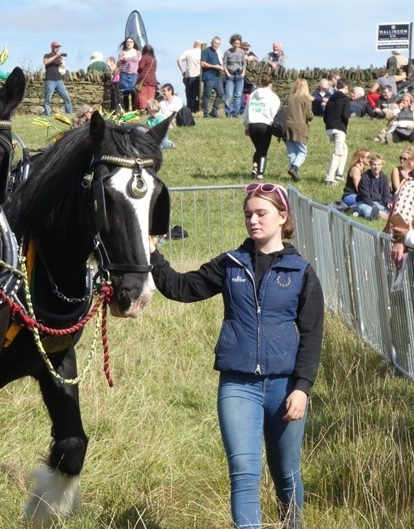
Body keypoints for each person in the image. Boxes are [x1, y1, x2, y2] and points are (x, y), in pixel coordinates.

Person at [150, 182, 324, 529]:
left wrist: (302, 388)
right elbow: (180, 287)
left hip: (284, 388)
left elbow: (312, 335)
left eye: (261, 213)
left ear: (282, 216)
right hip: (237, 386)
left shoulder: (301, 271)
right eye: (248, 215)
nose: (253, 221)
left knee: (286, 475)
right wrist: (152, 253)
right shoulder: (231, 264)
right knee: (244, 474)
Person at [243, 74, 280, 180]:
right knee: (263, 151)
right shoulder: (273, 96)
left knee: (258, 148)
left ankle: (255, 165)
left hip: (252, 124)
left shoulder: (253, 94)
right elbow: (275, 112)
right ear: (271, 85)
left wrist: (246, 126)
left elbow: (247, 110)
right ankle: (260, 173)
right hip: (265, 125)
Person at [284, 78, 314, 182]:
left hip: (287, 126)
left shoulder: (288, 97)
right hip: (300, 128)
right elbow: (309, 115)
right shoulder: (306, 99)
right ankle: (294, 168)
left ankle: (293, 176)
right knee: (302, 151)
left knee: (292, 152)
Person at [323, 78, 351, 185]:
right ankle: (329, 178)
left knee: (344, 148)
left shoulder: (331, 98)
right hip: (339, 128)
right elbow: (345, 115)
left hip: (329, 127)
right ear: (345, 87)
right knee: (337, 153)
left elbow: (325, 115)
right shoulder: (345, 99)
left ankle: (339, 173)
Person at [355, 153, 392, 221]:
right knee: (367, 210)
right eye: (374, 164)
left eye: (379, 165)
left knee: (389, 209)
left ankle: (382, 214)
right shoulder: (365, 178)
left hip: (379, 203)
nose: (376, 167)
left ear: (382, 165)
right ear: (370, 165)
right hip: (365, 202)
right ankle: (376, 215)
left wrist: (389, 202)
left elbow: (386, 195)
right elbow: (366, 197)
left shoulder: (384, 178)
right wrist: (375, 207)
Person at [42, 41, 73, 116]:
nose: (57, 48)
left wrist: (60, 61)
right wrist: (55, 56)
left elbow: (62, 67)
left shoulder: (59, 57)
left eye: (58, 47)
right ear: (52, 47)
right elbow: (45, 62)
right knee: (48, 99)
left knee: (66, 97)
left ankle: (69, 113)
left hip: (59, 80)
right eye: (55, 47)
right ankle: (47, 114)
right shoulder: (47, 55)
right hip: (50, 80)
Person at [222, 34, 246, 118]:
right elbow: (224, 64)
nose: (236, 45)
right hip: (230, 75)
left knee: (238, 95)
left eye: (238, 43)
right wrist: (227, 73)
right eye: (235, 43)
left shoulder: (242, 52)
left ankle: (235, 113)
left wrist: (243, 73)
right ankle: (228, 113)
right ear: (232, 43)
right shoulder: (227, 52)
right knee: (228, 95)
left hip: (239, 75)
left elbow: (244, 63)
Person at [201, 36, 224, 118]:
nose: (216, 45)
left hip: (217, 77)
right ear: (211, 43)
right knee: (207, 95)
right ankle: (206, 114)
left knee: (221, 93)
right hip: (208, 77)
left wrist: (221, 67)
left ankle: (214, 111)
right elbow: (203, 63)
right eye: (215, 43)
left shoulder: (219, 52)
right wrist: (214, 66)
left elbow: (221, 63)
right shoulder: (206, 51)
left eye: (218, 44)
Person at [117, 37, 142, 112]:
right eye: (127, 42)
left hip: (134, 74)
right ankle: (127, 110)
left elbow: (140, 64)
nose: (129, 43)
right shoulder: (122, 52)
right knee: (125, 93)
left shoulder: (137, 52)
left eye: (131, 42)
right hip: (124, 74)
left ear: (133, 43)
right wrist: (120, 59)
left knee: (134, 92)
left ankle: (134, 110)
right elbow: (117, 65)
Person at [176, 40, 202, 113]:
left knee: (189, 94)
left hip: (188, 76)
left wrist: (182, 71)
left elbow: (179, 60)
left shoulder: (188, 52)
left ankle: (189, 110)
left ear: (194, 45)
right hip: (198, 75)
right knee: (196, 94)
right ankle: (194, 110)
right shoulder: (202, 53)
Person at [135, 44, 158, 112]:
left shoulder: (144, 57)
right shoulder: (154, 59)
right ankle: (151, 109)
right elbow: (154, 69)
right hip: (153, 79)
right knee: (151, 96)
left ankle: (142, 109)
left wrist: (138, 70)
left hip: (144, 80)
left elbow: (141, 67)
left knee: (143, 95)